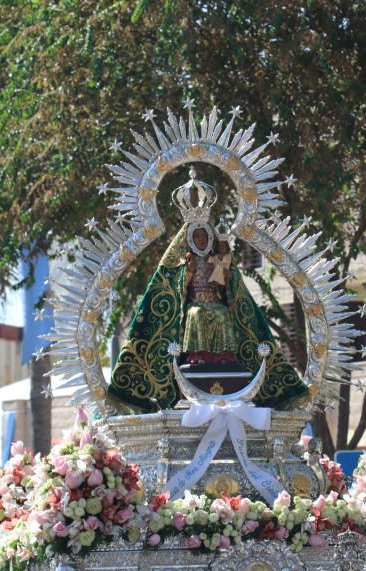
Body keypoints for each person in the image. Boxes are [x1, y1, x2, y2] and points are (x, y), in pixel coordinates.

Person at [108, 169, 308, 412]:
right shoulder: (185, 261)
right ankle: (198, 356)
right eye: (198, 237)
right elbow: (175, 288)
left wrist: (224, 267)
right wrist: (189, 272)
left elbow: (231, 288)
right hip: (194, 305)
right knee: (195, 314)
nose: (202, 240)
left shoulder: (218, 259)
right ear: (191, 238)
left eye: (205, 236)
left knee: (221, 314)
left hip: (215, 302)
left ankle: (222, 357)